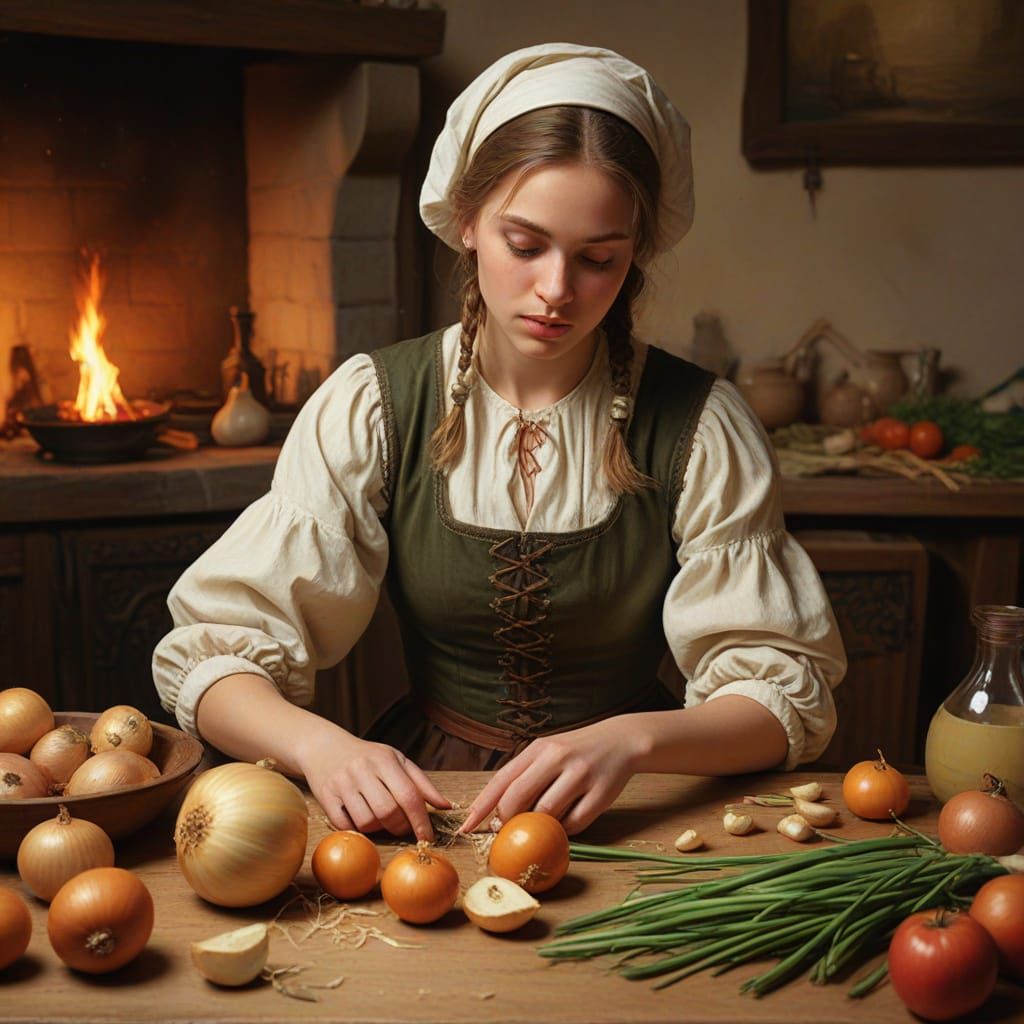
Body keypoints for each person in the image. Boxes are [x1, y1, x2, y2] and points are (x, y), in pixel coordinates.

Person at [153, 43, 846, 842]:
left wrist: (634, 738)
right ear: (468, 221)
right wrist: (322, 748)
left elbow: (783, 693)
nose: (557, 290)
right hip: (432, 801)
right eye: (526, 245)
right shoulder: (373, 405)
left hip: (638, 799)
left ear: (635, 256)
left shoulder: (703, 422)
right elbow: (213, 658)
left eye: (598, 259)